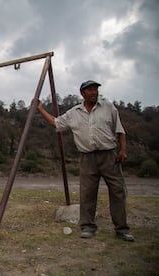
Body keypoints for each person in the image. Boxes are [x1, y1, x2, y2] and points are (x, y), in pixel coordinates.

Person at [34, 80, 134, 242]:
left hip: (109, 155)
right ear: (83, 94)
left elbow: (119, 130)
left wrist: (123, 150)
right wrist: (40, 109)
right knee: (87, 193)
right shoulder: (74, 113)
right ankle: (87, 226)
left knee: (117, 191)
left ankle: (122, 229)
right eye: (90, 90)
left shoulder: (108, 107)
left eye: (95, 89)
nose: (94, 92)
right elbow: (56, 123)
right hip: (87, 158)